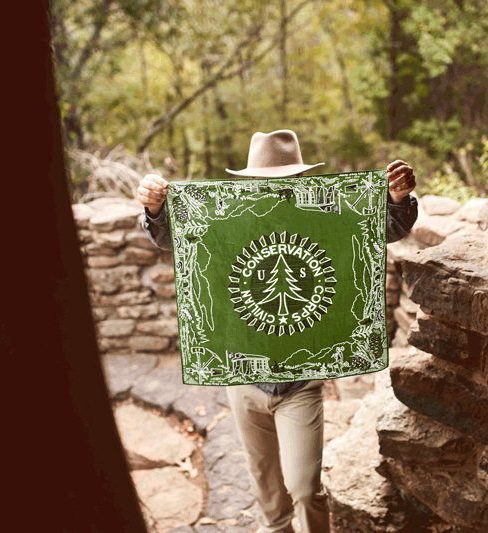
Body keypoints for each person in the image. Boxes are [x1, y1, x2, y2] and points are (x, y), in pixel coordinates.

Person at [137, 129, 417, 533]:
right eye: (267, 180)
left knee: (304, 489)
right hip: (243, 377)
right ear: (250, 181)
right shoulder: (228, 220)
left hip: (300, 384)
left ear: (302, 178)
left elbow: (380, 225)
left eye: (286, 179)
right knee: (267, 489)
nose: (276, 188)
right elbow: (172, 234)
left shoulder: (326, 215)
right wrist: (157, 208)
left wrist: (397, 199)